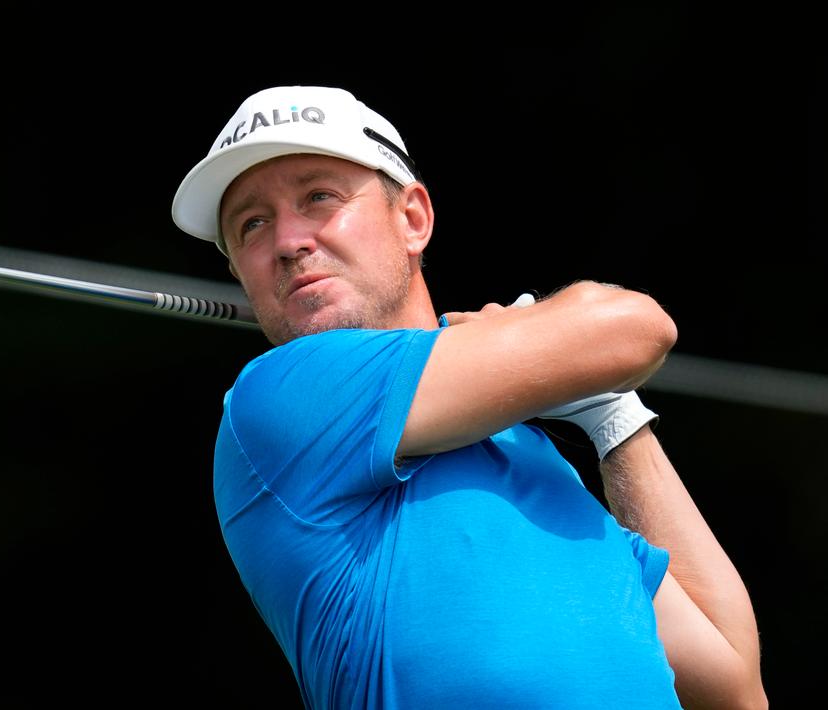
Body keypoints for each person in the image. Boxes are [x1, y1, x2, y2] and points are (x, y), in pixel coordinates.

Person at [170, 86, 766, 709]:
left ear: (412, 219)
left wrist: (613, 419)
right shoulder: (280, 394)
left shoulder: (531, 455)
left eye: (319, 197)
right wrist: (552, 340)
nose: (288, 241)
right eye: (253, 224)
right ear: (240, 272)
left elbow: (731, 685)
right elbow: (634, 326)